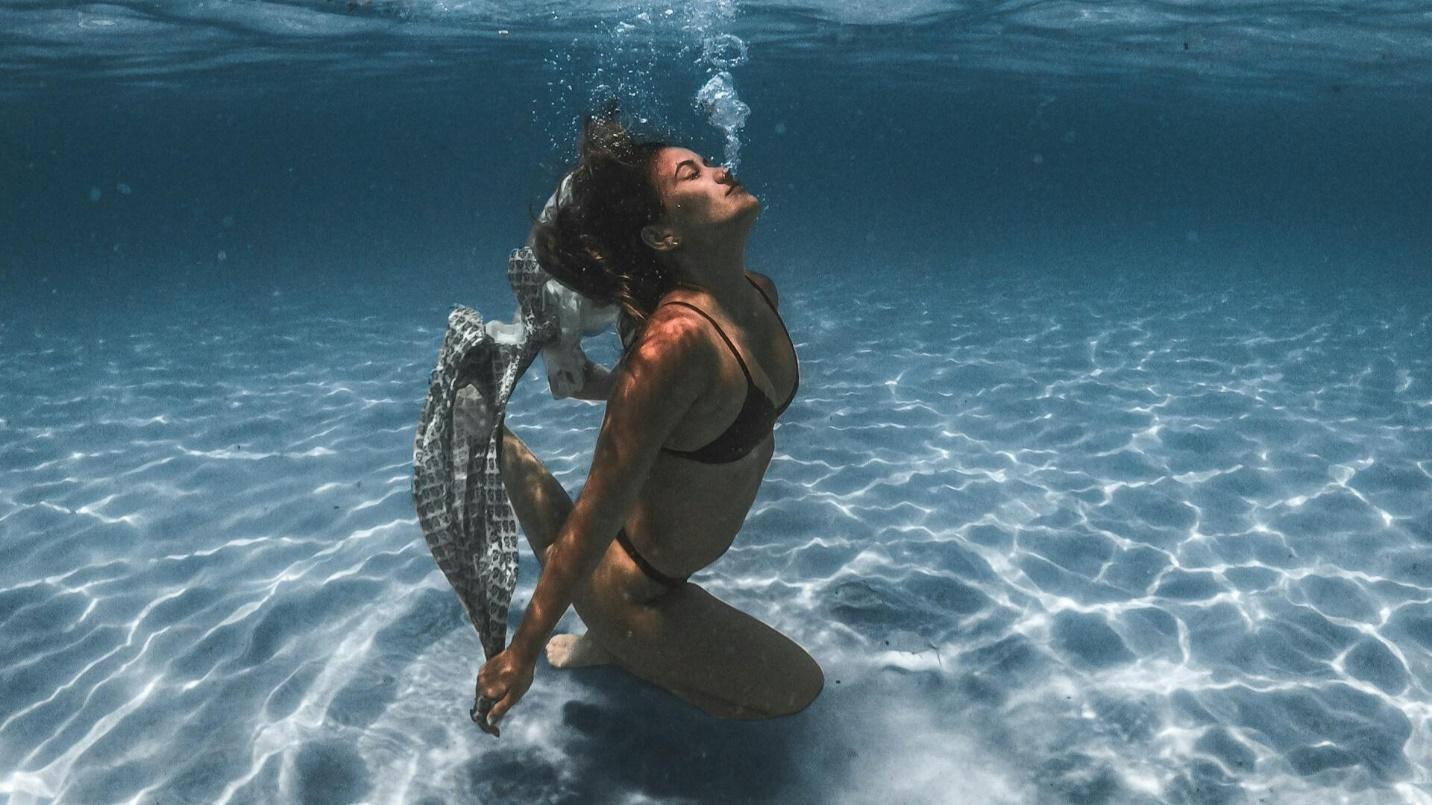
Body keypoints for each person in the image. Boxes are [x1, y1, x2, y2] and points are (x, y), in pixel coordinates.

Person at [476, 104, 823, 725]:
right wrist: (522, 652)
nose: (722, 170)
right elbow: (595, 513)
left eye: (708, 163)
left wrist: (610, 386)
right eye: (692, 173)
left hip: (656, 569)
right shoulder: (674, 344)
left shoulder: (757, 292)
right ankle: (618, 640)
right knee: (797, 690)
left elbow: (699, 404)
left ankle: (614, 643)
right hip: (631, 588)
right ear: (663, 234)